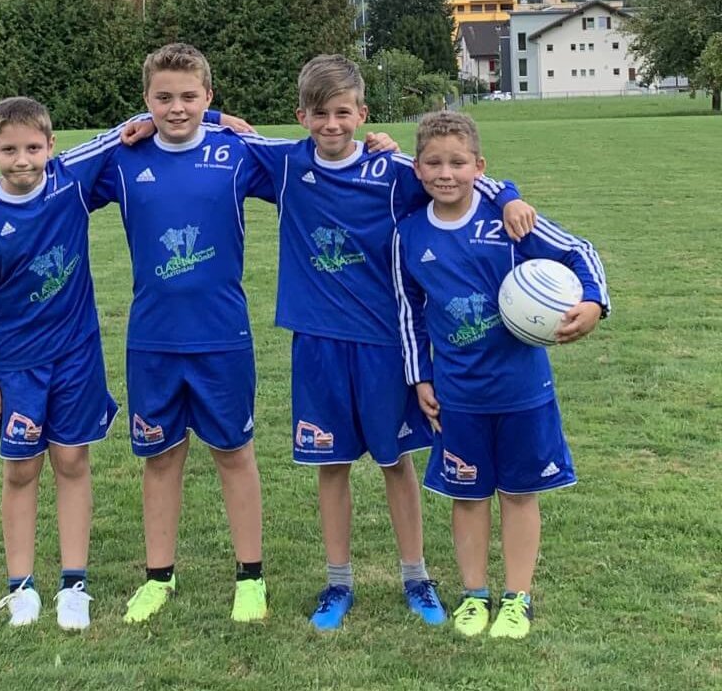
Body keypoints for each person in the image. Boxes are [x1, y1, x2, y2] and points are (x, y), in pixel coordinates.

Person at [170, 55, 536, 631]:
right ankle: (337, 581)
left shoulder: (391, 170)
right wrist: (202, 116)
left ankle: (416, 576)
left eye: (343, 113)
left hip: (383, 344)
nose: (332, 124)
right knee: (332, 465)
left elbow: (454, 175)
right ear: (302, 116)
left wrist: (508, 194)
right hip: (317, 343)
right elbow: (194, 120)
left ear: (362, 113)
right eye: (319, 114)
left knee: (396, 463)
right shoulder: (286, 164)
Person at [0, 45, 291, 624]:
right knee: (159, 457)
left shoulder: (235, 151)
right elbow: (45, 178)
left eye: (190, 97)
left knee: (235, 454)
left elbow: (316, 162)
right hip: (151, 340)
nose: (177, 107)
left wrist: (378, 150)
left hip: (223, 336)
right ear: (146, 100)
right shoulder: (123, 158)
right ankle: (158, 577)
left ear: (208, 97)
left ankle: (250, 577)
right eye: (163, 97)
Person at [394, 110, 609, 639]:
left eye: (458, 162)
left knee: (518, 493)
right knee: (467, 496)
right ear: (417, 169)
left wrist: (593, 303)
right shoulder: (408, 235)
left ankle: (517, 597)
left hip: (523, 389)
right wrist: (420, 376)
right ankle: (474, 594)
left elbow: (578, 250)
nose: (446, 173)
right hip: (458, 393)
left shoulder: (507, 219)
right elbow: (409, 313)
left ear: (480, 166)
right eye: (434, 163)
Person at [0, 97, 119, 631]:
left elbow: (129, 130)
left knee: (72, 462)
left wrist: (214, 117)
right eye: (9, 150)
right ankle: (21, 587)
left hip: (76, 357)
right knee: (21, 470)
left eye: (32, 147)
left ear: (51, 145)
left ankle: (75, 584)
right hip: (18, 366)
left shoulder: (69, 184)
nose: (21, 159)